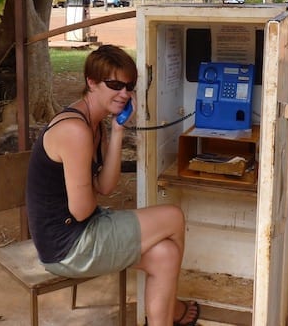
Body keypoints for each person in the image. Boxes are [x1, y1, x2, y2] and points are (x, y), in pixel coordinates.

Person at [26, 44, 199, 326]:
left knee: (165, 255)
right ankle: (175, 312)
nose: (124, 93)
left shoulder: (95, 124)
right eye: (115, 84)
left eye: (129, 86)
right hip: (67, 245)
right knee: (173, 217)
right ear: (91, 82)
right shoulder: (75, 130)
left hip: (80, 229)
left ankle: (167, 317)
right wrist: (91, 194)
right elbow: (81, 210)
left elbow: (105, 186)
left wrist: (118, 130)